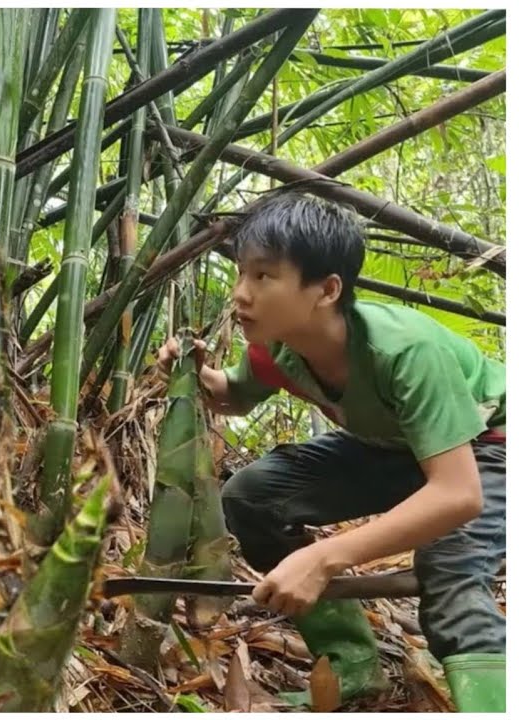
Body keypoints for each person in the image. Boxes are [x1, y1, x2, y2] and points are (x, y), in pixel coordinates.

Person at [156, 192, 505, 712]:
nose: (240, 294)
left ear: (326, 289)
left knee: (450, 573)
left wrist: (322, 558)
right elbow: (235, 395)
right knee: (252, 498)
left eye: (263, 277)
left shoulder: (404, 353)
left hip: (487, 449)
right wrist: (196, 374)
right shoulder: (277, 347)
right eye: (242, 273)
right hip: (390, 447)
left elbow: (457, 494)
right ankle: (350, 663)